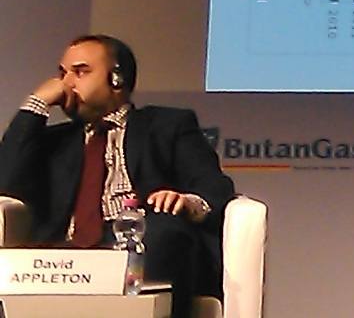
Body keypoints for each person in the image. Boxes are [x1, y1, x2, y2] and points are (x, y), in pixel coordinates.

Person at [0, 35, 236, 318]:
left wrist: (185, 201)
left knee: (164, 232)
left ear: (116, 79)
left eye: (80, 72)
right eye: (62, 74)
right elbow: (6, 181)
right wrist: (36, 104)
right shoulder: (55, 140)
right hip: (65, 258)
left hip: (140, 245)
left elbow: (214, 186)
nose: (65, 84)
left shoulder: (166, 125)